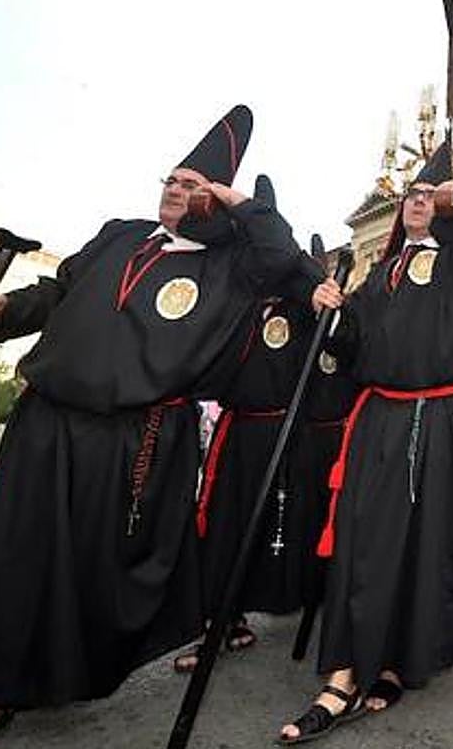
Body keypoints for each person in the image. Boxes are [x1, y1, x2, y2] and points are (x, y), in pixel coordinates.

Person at [0, 105, 341, 749]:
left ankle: (77, 669)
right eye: (170, 180)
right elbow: (57, 293)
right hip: (47, 419)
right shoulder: (120, 235)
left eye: (191, 184)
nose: (175, 189)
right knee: (13, 559)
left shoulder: (236, 265)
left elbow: (284, 256)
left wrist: (233, 199)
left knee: (97, 566)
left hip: (135, 437)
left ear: (218, 201)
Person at [276, 142, 453, 742]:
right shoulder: (381, 274)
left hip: (440, 415)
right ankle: (344, 673)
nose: (417, 203)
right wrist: (329, 312)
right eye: (411, 197)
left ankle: (400, 661)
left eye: (429, 196)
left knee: (427, 543)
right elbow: (351, 350)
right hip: (379, 419)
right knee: (365, 540)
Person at [172, 175, 325, 672]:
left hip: (286, 431)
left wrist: (321, 293)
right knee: (221, 528)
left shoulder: (297, 276)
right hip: (237, 428)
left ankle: (310, 604)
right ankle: (222, 622)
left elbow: (321, 304)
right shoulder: (233, 277)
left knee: (288, 523)